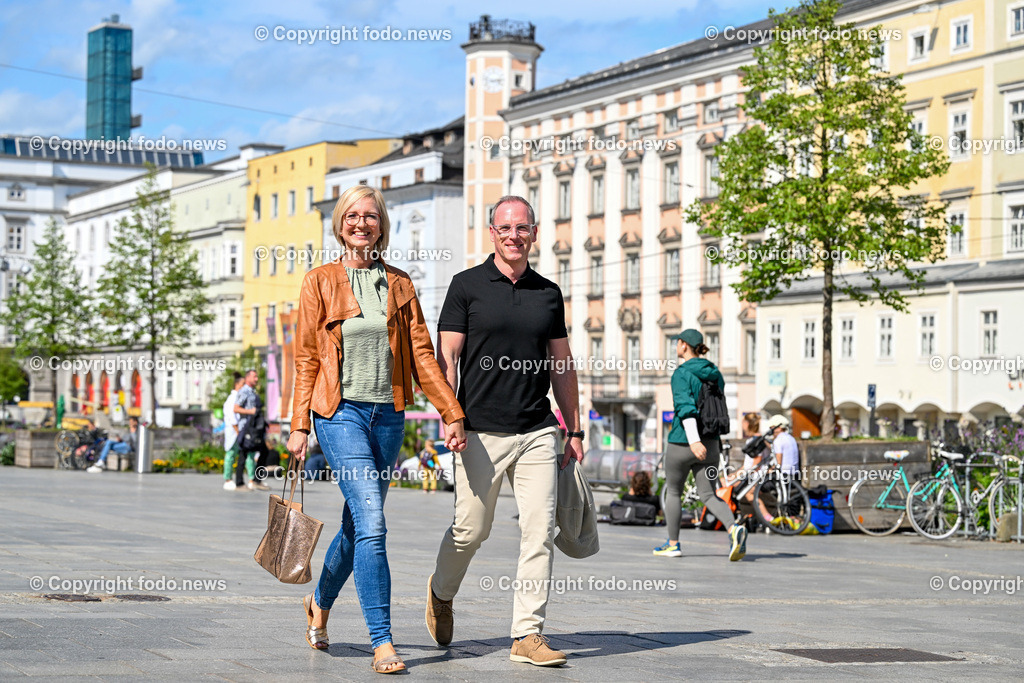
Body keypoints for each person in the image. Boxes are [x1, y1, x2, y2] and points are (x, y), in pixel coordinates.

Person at [287, 185, 467, 674]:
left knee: (356, 522)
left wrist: (451, 410)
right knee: (373, 521)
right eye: (352, 214)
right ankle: (382, 641)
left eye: (370, 216)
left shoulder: (400, 284)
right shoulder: (319, 281)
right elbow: (305, 358)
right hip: (337, 412)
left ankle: (318, 604)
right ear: (339, 223)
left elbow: (423, 356)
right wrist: (299, 424)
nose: (360, 222)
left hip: (387, 415)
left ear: (382, 226)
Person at [426, 195, 583, 668]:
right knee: (471, 530)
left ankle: (527, 635)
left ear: (534, 233)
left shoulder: (548, 293)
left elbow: (561, 363)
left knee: (539, 530)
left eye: (522, 228)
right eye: (504, 228)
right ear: (491, 233)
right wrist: (451, 414)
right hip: (478, 430)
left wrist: (573, 427)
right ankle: (440, 591)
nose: (513, 235)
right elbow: (446, 356)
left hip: (537, 428)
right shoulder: (466, 286)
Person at [656, 329, 747, 561]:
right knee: (708, 494)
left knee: (674, 492)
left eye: (678, 342)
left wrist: (693, 441)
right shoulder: (715, 373)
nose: (676, 346)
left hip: (683, 442)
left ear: (684, 345)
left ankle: (673, 544)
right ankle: (733, 529)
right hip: (712, 443)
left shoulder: (681, 374)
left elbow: (686, 408)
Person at [233, 370, 270, 491]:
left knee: (263, 451)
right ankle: (239, 483)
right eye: (254, 376)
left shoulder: (252, 392)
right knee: (243, 453)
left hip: (255, 428)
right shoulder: (244, 391)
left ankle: (256, 480)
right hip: (247, 428)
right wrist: (250, 412)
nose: (257, 379)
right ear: (247, 377)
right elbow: (236, 408)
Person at [221, 374, 244, 490]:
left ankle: (231, 478)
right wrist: (237, 430)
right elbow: (232, 415)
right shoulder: (232, 398)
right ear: (237, 385)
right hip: (233, 430)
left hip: (236, 429)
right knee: (230, 454)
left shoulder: (237, 397)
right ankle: (228, 479)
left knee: (234, 454)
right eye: (242, 384)